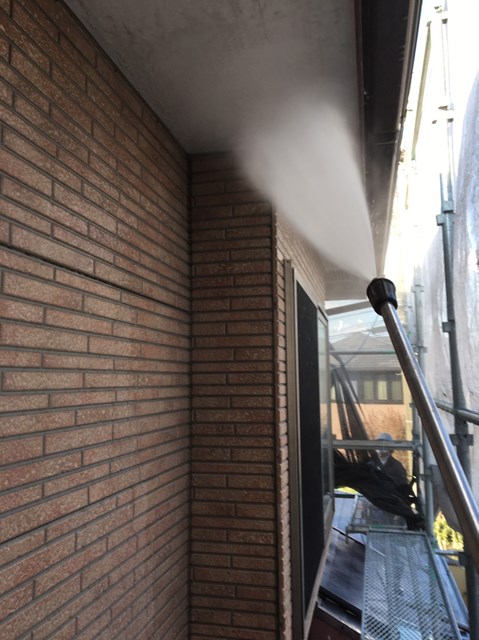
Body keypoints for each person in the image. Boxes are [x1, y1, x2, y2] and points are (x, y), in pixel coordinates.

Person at [371, 433, 413, 503]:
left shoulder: (397, 466)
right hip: (372, 498)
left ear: (390, 449)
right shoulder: (370, 462)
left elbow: (402, 484)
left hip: (390, 501)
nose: (381, 449)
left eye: (385, 446)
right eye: (379, 445)